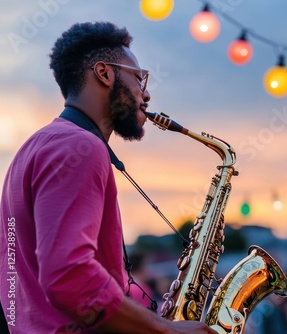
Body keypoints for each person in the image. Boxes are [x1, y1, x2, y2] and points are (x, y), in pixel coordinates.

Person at [0, 22, 217, 334]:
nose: (147, 94)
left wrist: (143, 316)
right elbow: (68, 275)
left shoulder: (34, 147)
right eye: (139, 78)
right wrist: (165, 330)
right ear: (104, 73)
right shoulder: (80, 146)